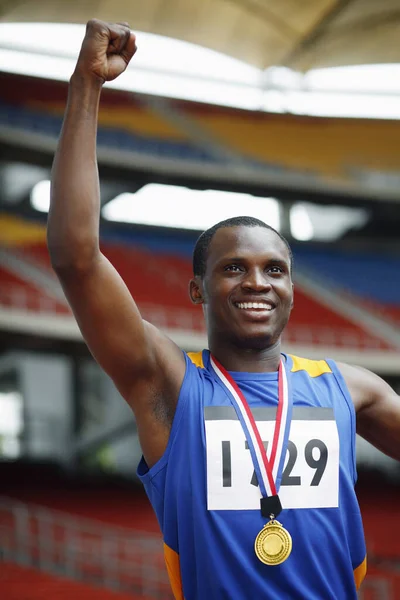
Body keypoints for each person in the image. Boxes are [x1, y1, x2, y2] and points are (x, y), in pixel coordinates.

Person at [47, 19, 400, 600]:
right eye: (233, 267)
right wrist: (86, 85)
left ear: (291, 290)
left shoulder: (351, 389)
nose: (256, 282)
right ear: (198, 290)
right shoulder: (170, 386)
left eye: (274, 269)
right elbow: (76, 258)